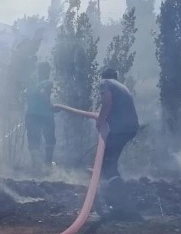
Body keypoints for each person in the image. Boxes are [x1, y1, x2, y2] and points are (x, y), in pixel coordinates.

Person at [54, 67, 140, 217]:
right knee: (108, 162)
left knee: (106, 163)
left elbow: (107, 102)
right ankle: (110, 196)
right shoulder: (121, 86)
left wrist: (100, 121)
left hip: (121, 128)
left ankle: (120, 200)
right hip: (130, 128)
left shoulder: (105, 82)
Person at [24, 62, 57, 170]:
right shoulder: (48, 82)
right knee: (50, 140)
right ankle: (47, 166)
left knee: (34, 141)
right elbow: (43, 93)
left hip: (31, 115)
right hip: (45, 115)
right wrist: (50, 106)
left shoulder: (32, 84)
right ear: (47, 72)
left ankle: (36, 166)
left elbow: (25, 97)